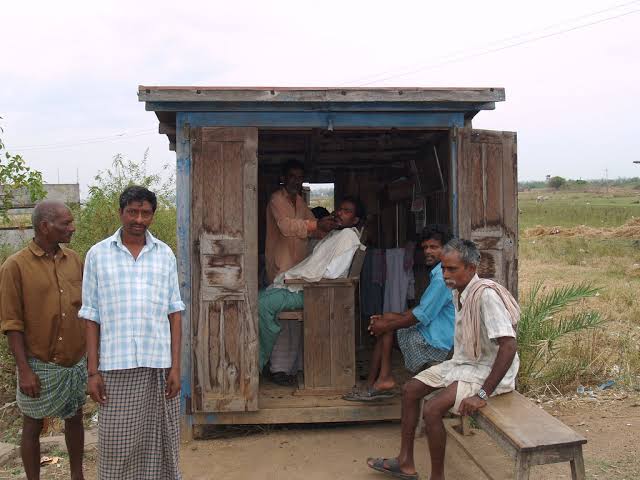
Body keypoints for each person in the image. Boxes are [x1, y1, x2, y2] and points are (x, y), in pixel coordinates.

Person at [367, 239, 519, 480]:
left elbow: (508, 346)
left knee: (433, 409)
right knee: (410, 390)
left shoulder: (485, 296)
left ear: (471, 268)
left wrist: (482, 394)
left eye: (452, 269)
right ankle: (405, 462)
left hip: (488, 371)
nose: (445, 274)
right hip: (465, 364)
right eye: (444, 268)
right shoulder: (458, 291)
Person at [80, 186, 185, 480]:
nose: (139, 219)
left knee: (160, 442)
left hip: (158, 365)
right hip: (115, 366)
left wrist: (176, 367)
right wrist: (92, 372)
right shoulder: (98, 255)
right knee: (117, 445)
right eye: (133, 212)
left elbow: (174, 313)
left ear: (152, 215)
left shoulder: (164, 254)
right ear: (121, 213)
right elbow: (91, 316)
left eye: (146, 213)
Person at [0, 201, 86, 480]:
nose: (72, 228)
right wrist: (25, 370)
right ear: (45, 227)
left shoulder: (74, 260)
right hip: (39, 362)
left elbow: (86, 308)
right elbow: (12, 323)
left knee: (75, 418)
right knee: (32, 424)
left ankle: (77, 476)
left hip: (74, 360)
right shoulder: (15, 266)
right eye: (66, 223)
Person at [259, 197, 366, 383]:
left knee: (262, 304)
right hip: (309, 289)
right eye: (339, 209)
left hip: (316, 294)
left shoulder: (348, 237)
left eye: (347, 211)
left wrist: (299, 278)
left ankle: (258, 358)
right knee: (261, 297)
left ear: (355, 220)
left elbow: (332, 273)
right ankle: (270, 360)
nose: (340, 213)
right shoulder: (336, 234)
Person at [344, 227, 454, 402]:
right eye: (425, 247)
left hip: (438, 345)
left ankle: (379, 381)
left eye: (434, 247)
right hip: (433, 332)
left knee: (387, 327)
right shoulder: (438, 273)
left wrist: (387, 324)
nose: (428, 251)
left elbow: (420, 316)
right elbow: (422, 309)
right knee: (386, 319)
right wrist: (388, 319)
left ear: (447, 249)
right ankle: (378, 380)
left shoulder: (442, 278)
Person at [264, 160, 337, 381]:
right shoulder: (277, 199)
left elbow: (312, 224)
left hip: (298, 269)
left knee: (296, 322)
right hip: (282, 267)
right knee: (284, 322)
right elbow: (287, 226)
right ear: (284, 178)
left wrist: (328, 230)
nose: (296, 180)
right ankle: (278, 369)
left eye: (299, 177)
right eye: (292, 176)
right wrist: (316, 226)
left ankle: (290, 369)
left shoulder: (299, 200)